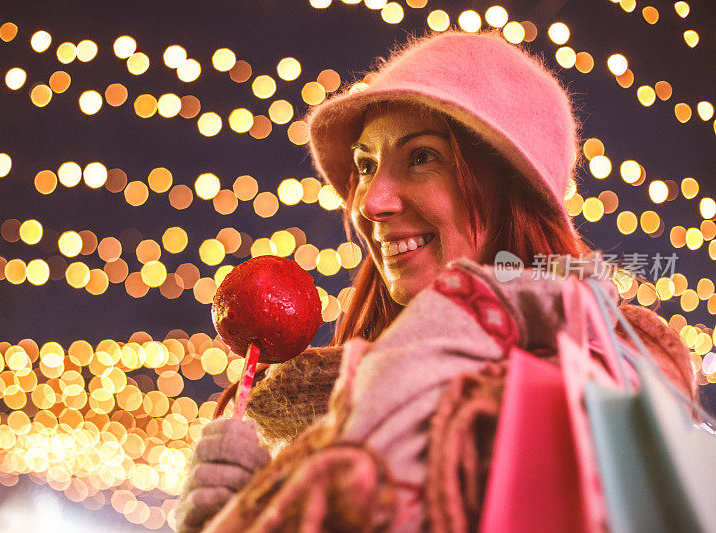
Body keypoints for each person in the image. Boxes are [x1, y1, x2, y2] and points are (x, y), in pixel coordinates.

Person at [175, 31, 696, 532]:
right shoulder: (329, 406)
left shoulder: (601, 385)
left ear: (509, 188)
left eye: (422, 157)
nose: (371, 203)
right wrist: (242, 509)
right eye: (365, 164)